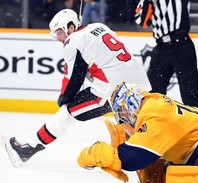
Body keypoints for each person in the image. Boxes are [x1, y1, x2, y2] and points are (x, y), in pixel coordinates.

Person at [5, 9, 151, 167]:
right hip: (139, 85)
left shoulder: (73, 42)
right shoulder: (98, 26)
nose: (59, 38)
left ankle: (29, 148)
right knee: (138, 124)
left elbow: (73, 80)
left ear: (71, 27)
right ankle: (145, 156)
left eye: (60, 32)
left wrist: (63, 99)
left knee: (67, 113)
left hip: (112, 92)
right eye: (56, 35)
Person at [77, 82, 198, 183]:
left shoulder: (155, 114)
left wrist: (106, 155)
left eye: (121, 111)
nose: (122, 118)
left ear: (130, 102)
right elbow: (151, 149)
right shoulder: (152, 104)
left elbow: (137, 156)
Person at [134, 0, 198, 109]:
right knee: (153, 94)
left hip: (182, 45)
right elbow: (142, 21)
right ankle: (154, 124)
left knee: (191, 95)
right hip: (161, 48)